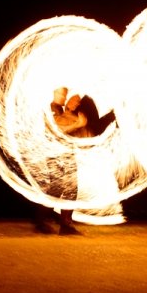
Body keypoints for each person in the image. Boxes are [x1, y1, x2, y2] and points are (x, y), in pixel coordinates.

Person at [35, 87, 94, 235]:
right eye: (61, 93)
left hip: (66, 154)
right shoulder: (51, 110)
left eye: (65, 95)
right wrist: (77, 125)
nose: (63, 97)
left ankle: (66, 225)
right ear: (53, 93)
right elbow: (58, 130)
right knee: (56, 189)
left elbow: (74, 133)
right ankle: (41, 221)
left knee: (71, 189)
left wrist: (84, 132)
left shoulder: (62, 111)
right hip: (55, 154)